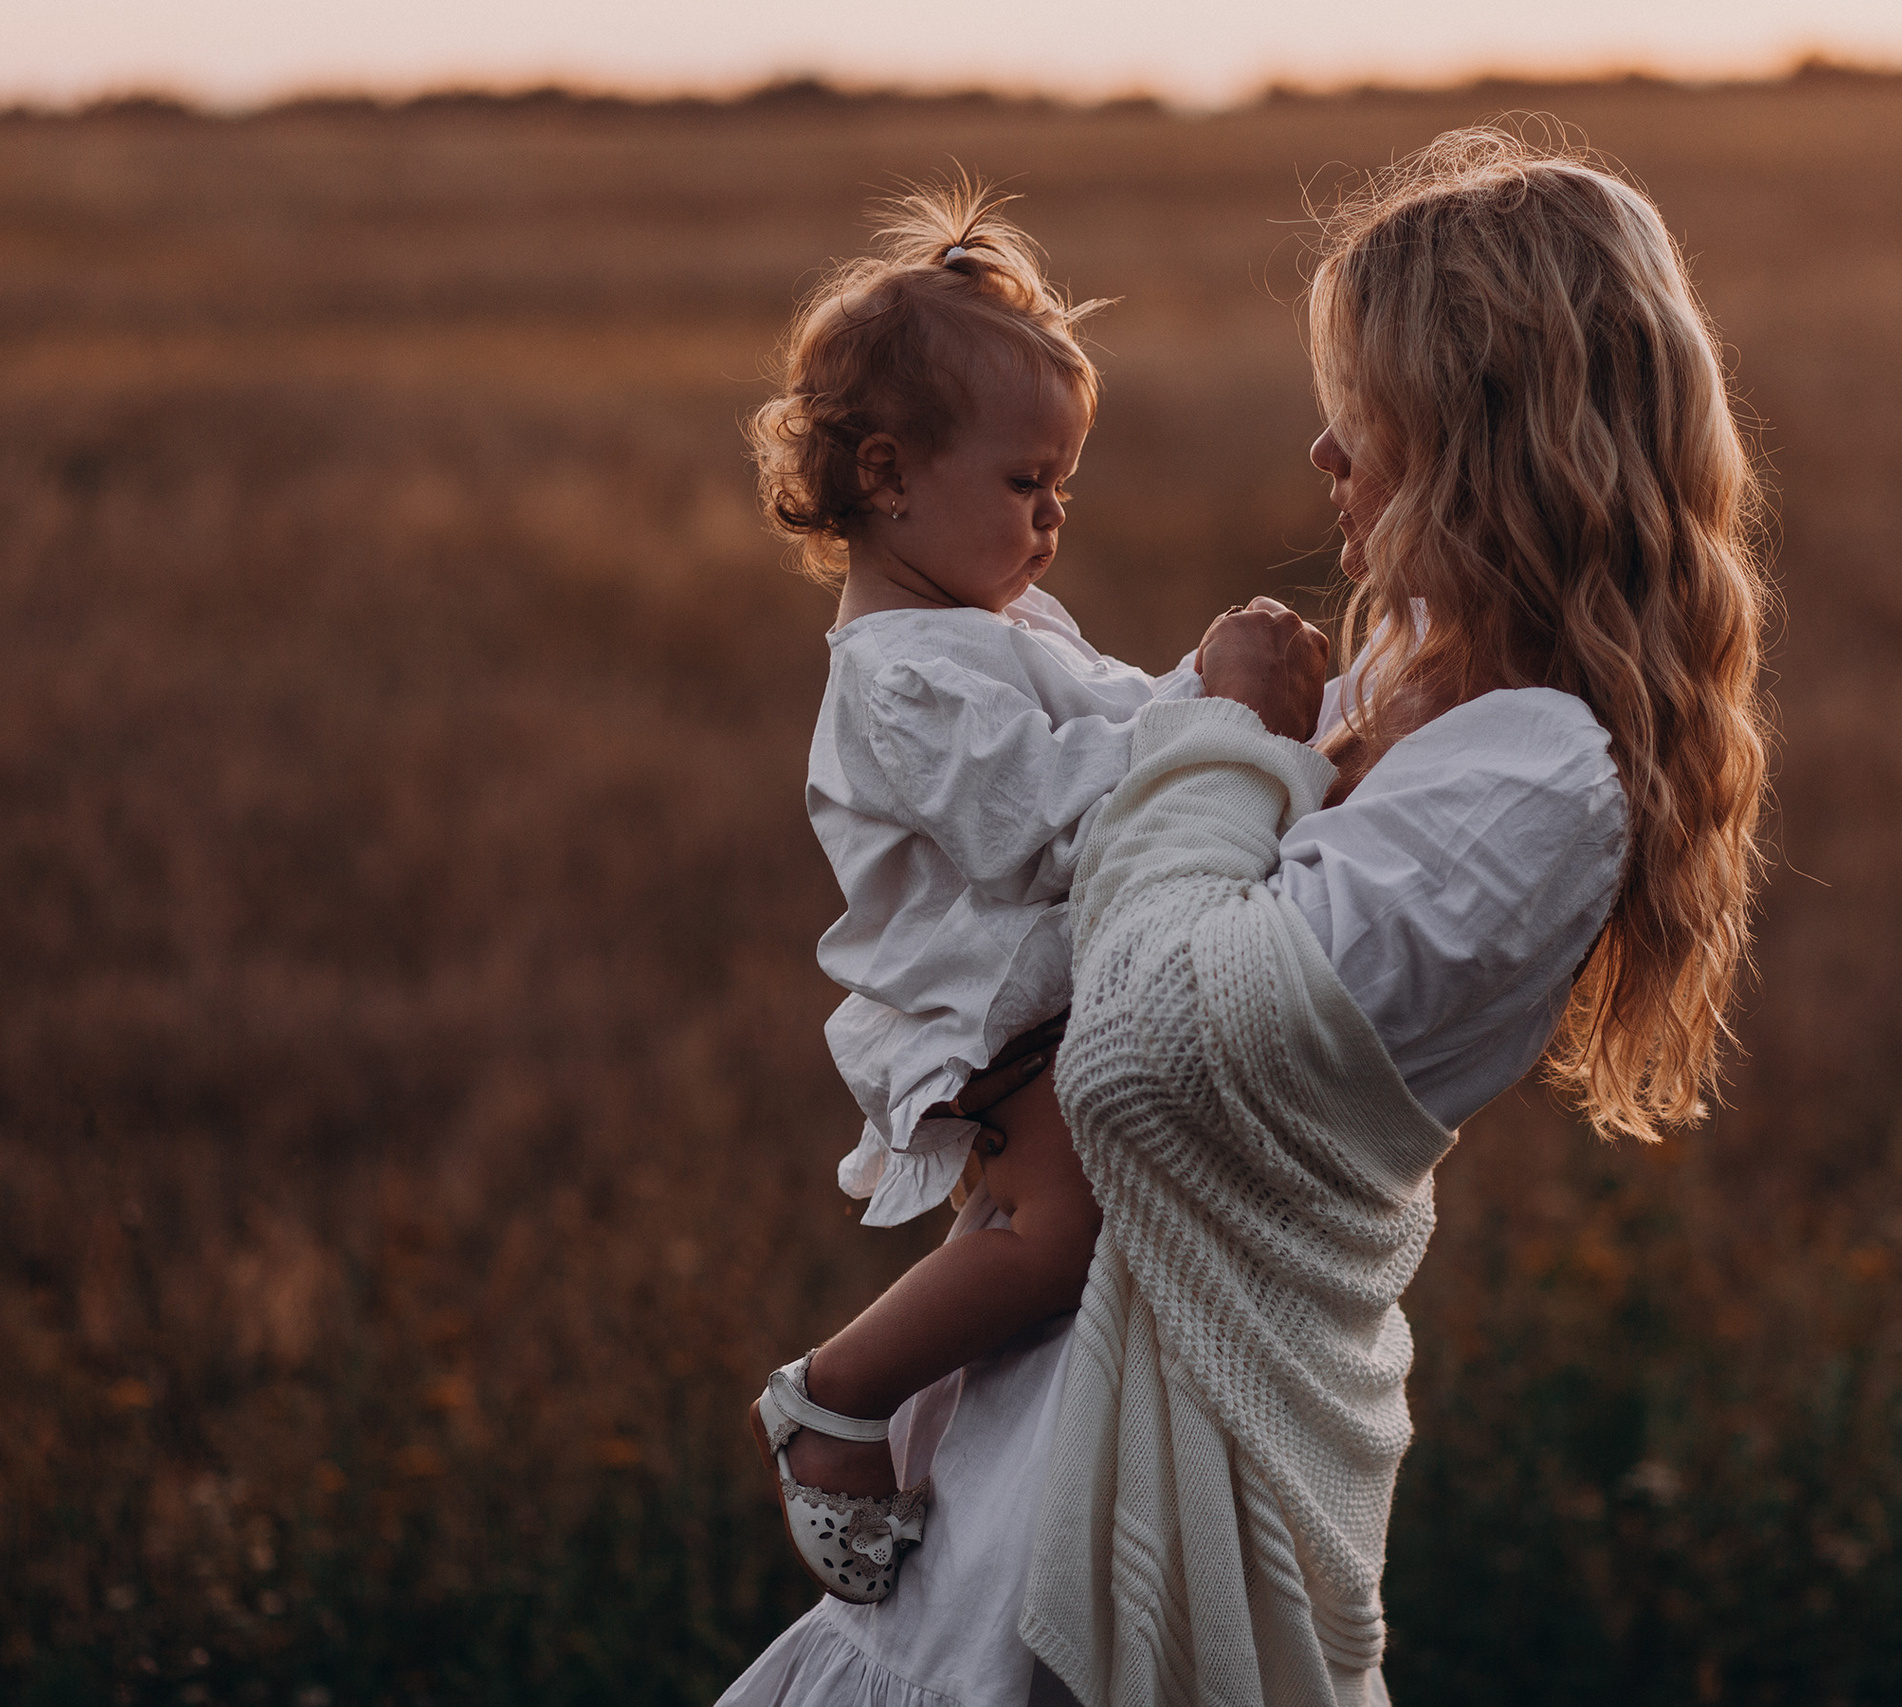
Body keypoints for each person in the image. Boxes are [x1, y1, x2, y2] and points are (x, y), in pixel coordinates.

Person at [720, 125, 1769, 1707]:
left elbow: (1140, 1049)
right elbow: (1158, 837)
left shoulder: (1533, 776)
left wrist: (1220, 735)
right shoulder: (1407, 676)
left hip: (1143, 1496)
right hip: (1023, 1462)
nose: (1323, 454)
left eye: (1367, 415)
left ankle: (835, 1398)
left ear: (1485, 435)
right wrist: (1228, 733)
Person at [741, 182, 1238, 1605]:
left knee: (1059, 1251)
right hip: (999, 1021)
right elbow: (1036, 820)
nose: (1053, 518)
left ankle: (960, 1460)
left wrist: (1223, 700)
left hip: (1060, 1005)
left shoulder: (998, 624)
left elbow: (1117, 720)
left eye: (1063, 487)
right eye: (1027, 485)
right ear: (889, 475)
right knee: (1053, 1240)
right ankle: (834, 1400)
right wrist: (1217, 714)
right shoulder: (899, 676)